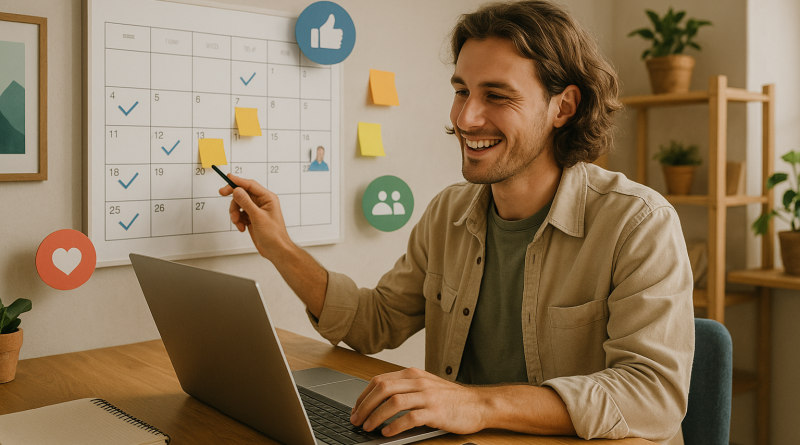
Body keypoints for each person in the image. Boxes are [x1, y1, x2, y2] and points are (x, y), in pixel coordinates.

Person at [219, 1, 694, 442]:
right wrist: (279, 244)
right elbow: (374, 322)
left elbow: (652, 395)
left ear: (562, 107)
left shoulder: (639, 224)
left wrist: (478, 404)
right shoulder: (449, 212)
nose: (466, 117)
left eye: (497, 96)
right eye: (462, 91)